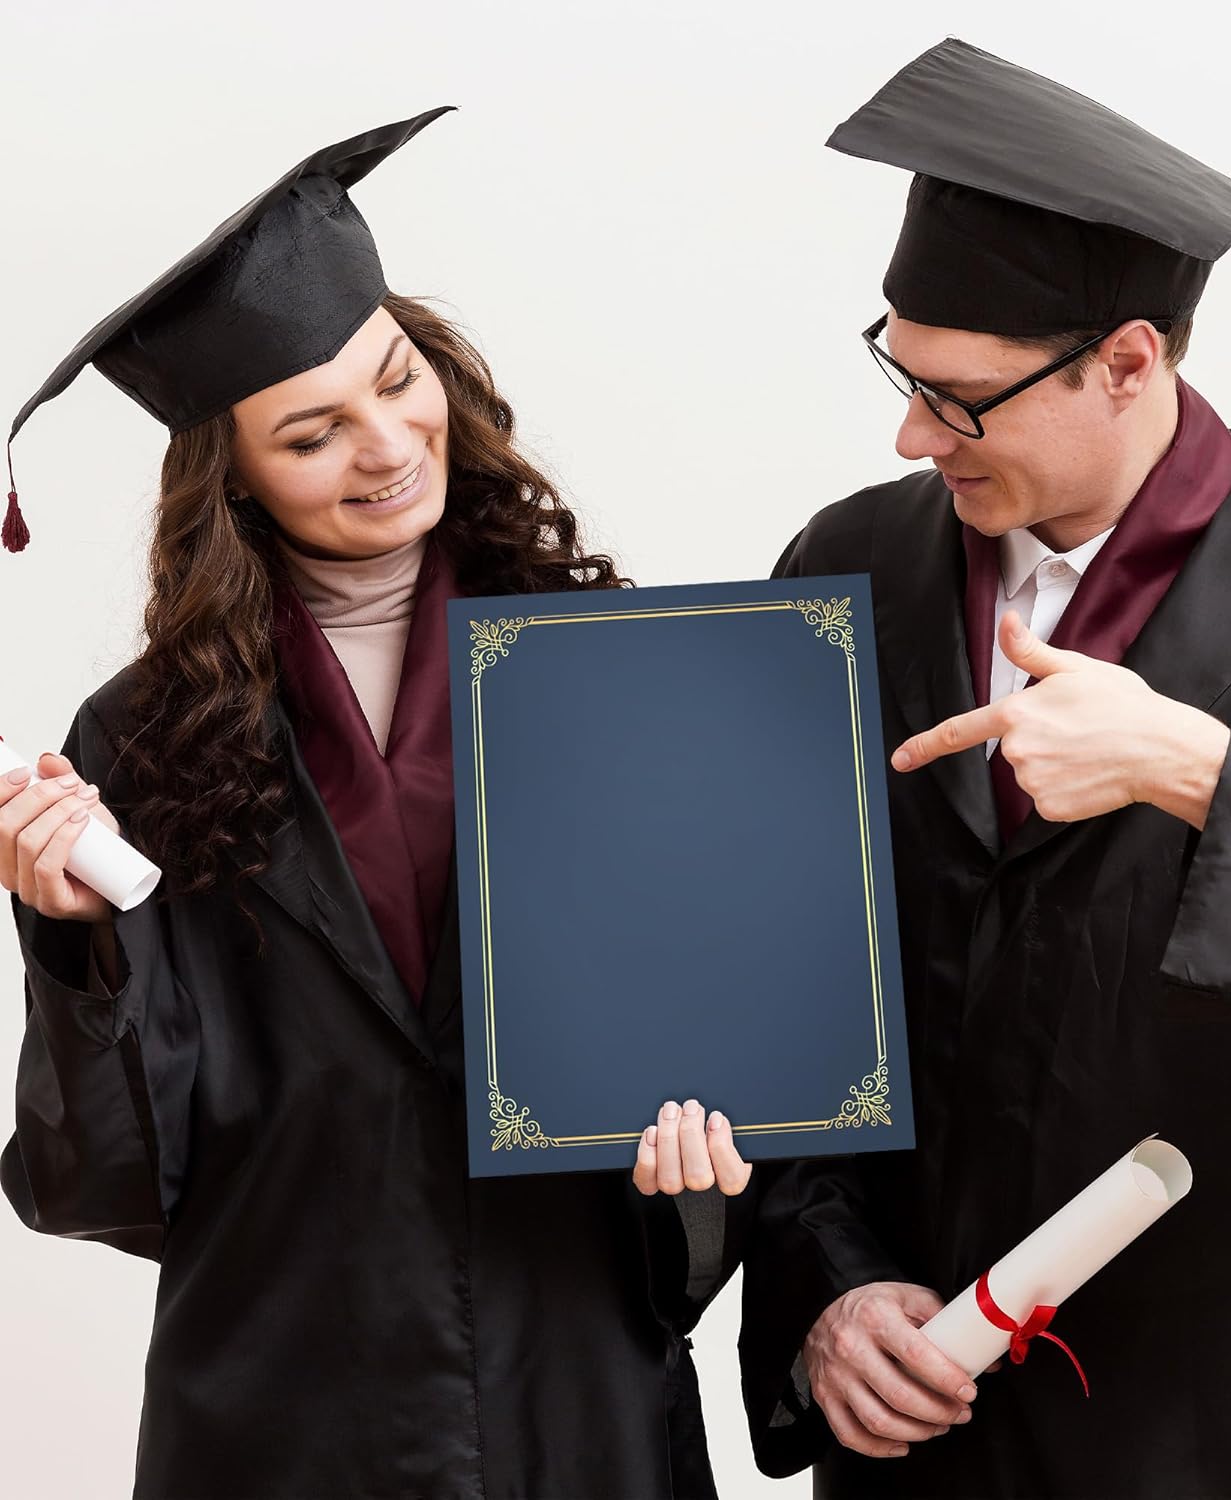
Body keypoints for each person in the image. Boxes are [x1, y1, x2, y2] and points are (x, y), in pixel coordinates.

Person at [738, 39, 1231, 1500]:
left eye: (961, 399)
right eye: (902, 373)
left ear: (1129, 362)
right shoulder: (851, 571)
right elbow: (771, 995)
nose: (911, 434)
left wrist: (1209, 772)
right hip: (924, 1426)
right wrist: (831, 1286)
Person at [0, 107, 749, 1499]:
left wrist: (704, 1171)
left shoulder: (617, 667)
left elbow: (716, 1052)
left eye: (398, 380)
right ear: (231, 480)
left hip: (574, 1389)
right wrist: (74, 949)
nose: (389, 444)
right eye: (312, 433)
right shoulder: (142, 741)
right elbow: (105, 1189)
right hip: (285, 1416)